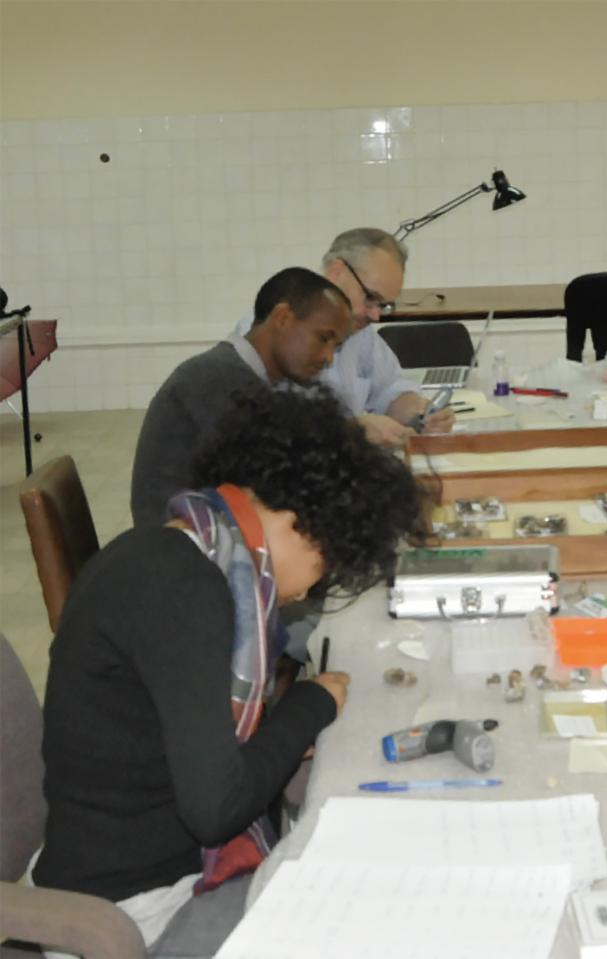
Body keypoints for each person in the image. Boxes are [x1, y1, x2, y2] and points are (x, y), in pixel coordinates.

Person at [36, 390, 426, 953]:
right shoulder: (184, 590)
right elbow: (216, 811)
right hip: (135, 908)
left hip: (138, 864)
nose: (307, 591)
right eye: (326, 565)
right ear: (302, 523)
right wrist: (310, 705)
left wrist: (283, 733)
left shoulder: (175, 552)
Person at [130, 267, 352, 527]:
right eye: (323, 338)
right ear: (282, 317)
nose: (328, 357)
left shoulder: (246, 377)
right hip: (179, 549)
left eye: (336, 346)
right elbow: (275, 487)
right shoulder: (218, 378)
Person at [310, 227, 455, 447]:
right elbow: (274, 427)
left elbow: (389, 389)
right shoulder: (280, 330)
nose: (375, 315)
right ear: (336, 273)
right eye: (370, 297)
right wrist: (354, 429)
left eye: (384, 305)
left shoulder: (360, 333)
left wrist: (423, 414)